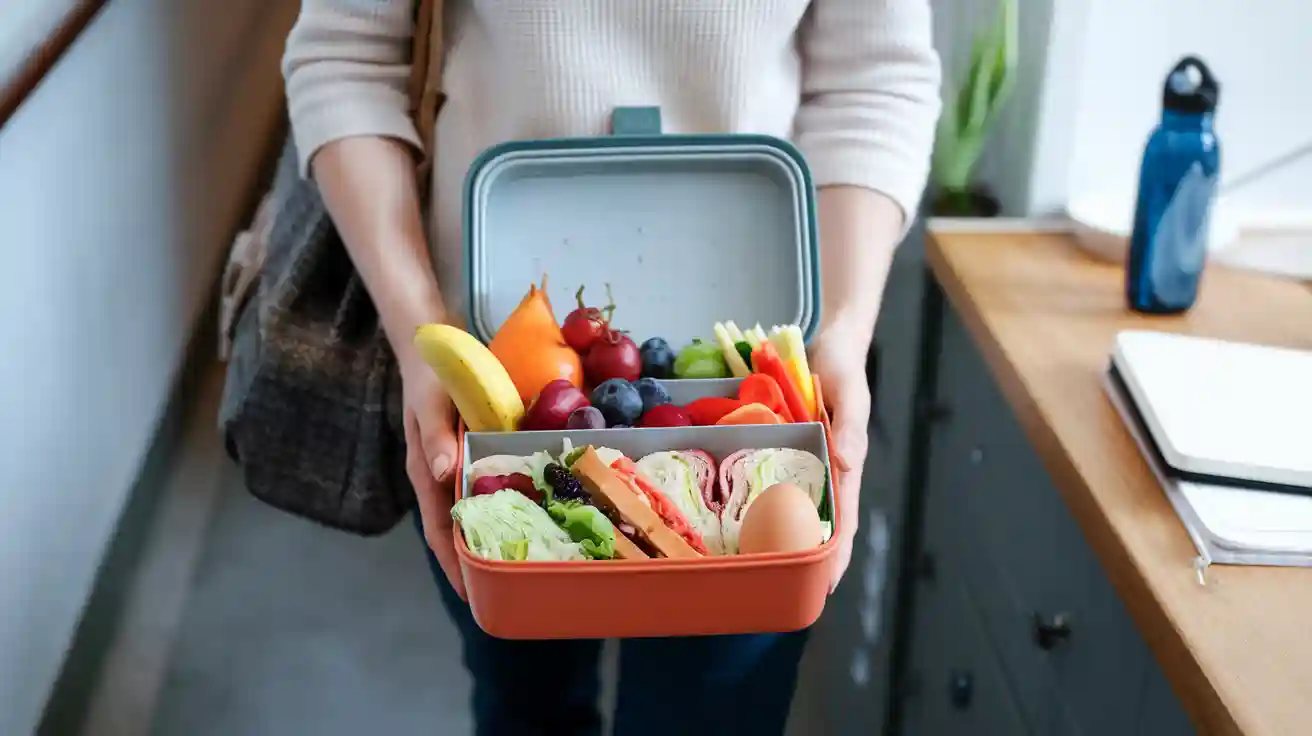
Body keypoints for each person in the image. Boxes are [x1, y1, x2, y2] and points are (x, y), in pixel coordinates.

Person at [282, 1, 941, 734]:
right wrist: (420, 336)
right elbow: (345, 59)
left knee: (711, 715)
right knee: (526, 706)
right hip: (490, 354)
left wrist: (841, 335)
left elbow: (876, 83)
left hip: (746, 347)